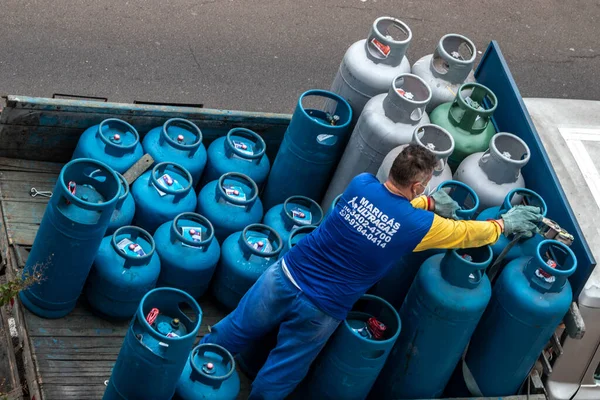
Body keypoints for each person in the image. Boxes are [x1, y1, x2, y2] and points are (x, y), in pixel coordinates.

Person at [201, 144, 542, 399]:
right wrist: (502, 223)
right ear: (419, 186)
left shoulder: (361, 184)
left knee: (235, 328)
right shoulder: (418, 226)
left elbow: (385, 207)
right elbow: (467, 233)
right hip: (321, 308)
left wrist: (427, 203)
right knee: (282, 368)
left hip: (285, 275)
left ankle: (194, 371)